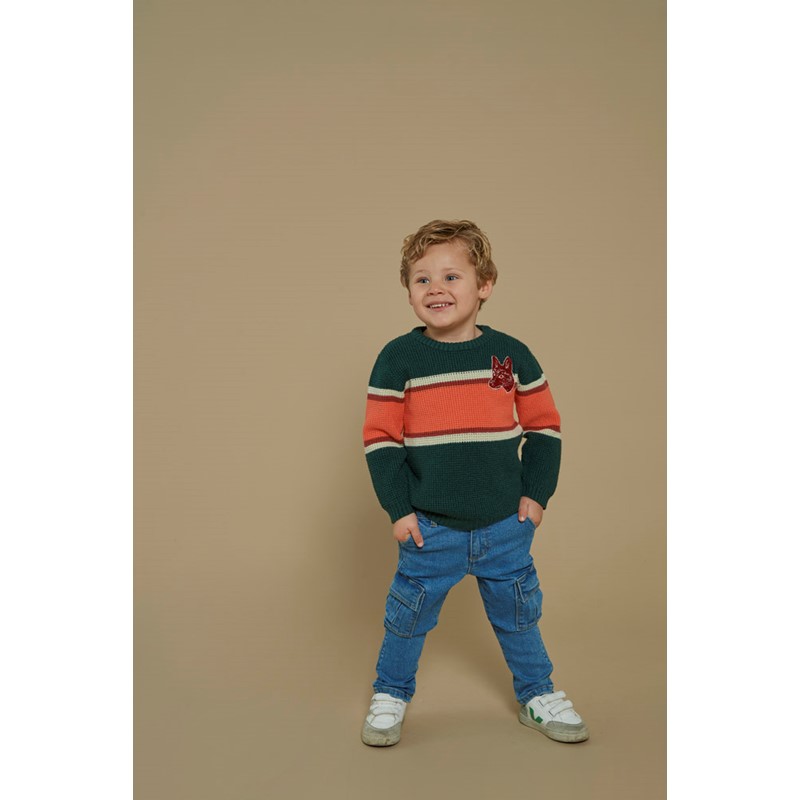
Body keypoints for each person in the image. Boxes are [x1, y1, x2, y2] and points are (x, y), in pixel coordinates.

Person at [360, 219, 589, 747]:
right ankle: (391, 692)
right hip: (430, 529)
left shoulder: (510, 356)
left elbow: (544, 427)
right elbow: (381, 440)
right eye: (422, 279)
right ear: (408, 291)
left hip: (505, 525)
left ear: (484, 285)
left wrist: (536, 496)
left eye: (451, 276)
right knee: (407, 619)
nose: (435, 289)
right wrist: (399, 510)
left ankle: (537, 693)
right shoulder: (398, 359)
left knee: (518, 617)